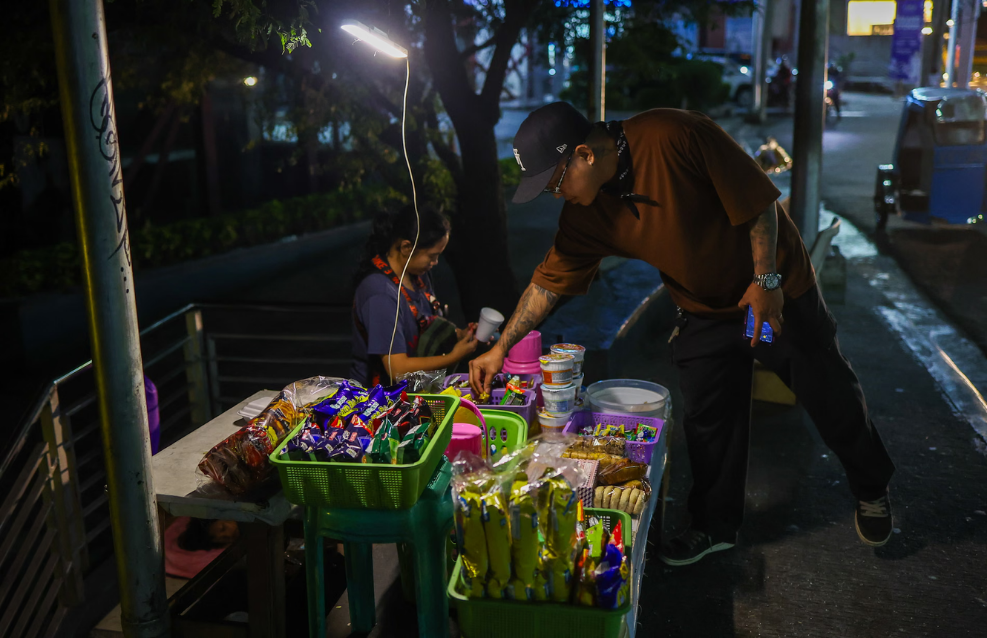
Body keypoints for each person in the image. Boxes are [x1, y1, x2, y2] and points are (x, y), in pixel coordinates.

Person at [468, 102, 896, 565]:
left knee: (827, 391)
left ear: (584, 155)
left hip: (772, 294)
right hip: (705, 308)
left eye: (555, 181)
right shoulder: (586, 215)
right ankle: (715, 525)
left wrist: (766, 280)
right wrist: (502, 347)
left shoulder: (675, 134)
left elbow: (759, 203)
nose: (556, 194)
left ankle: (871, 486)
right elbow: (547, 284)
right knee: (709, 415)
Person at [351, 205, 478, 387]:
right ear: (406, 247)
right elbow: (398, 370)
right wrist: (453, 357)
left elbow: (423, 323)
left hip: (416, 391)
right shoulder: (380, 293)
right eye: (432, 256)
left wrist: (459, 335)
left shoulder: (417, 274)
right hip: (379, 401)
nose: (435, 263)